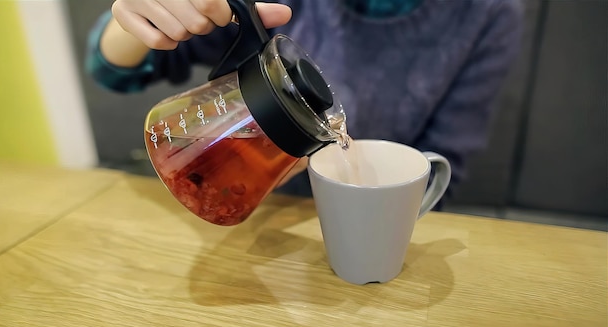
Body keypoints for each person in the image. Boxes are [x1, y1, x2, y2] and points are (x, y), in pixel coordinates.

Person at [86, 0, 523, 203]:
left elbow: (440, 169)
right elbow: (110, 70)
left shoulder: (489, 15)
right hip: (243, 220)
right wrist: (140, 16)